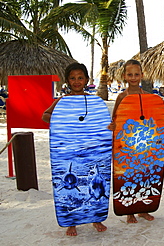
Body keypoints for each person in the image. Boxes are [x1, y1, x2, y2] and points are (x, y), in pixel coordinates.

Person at [42, 62, 108, 236]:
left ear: (86, 80)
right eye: (73, 78)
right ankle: (72, 222)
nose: (77, 81)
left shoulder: (94, 101)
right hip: (69, 148)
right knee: (69, 184)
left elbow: (103, 121)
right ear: (67, 80)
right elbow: (45, 115)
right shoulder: (62, 101)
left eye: (80, 78)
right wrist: (60, 119)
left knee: (93, 181)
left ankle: (95, 218)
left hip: (91, 148)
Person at [107, 59, 155, 224]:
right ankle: (130, 212)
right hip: (126, 143)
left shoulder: (148, 96)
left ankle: (143, 209)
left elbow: (152, 120)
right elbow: (115, 118)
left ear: (142, 75)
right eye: (130, 74)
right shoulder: (122, 96)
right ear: (124, 76)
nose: (133, 77)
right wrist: (112, 126)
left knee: (144, 174)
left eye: (136, 74)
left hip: (144, 141)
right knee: (128, 175)